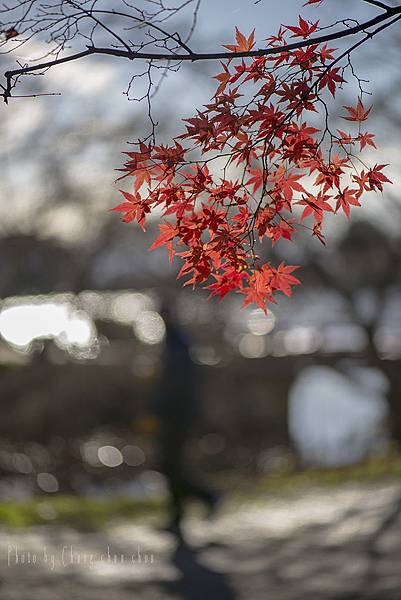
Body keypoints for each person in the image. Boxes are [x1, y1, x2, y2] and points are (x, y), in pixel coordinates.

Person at [152, 305, 218, 538]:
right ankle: (178, 515)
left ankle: (205, 498)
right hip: (178, 414)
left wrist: (157, 406)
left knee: (172, 466)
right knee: (172, 466)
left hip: (176, 415)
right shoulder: (176, 342)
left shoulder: (176, 345)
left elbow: (175, 385)